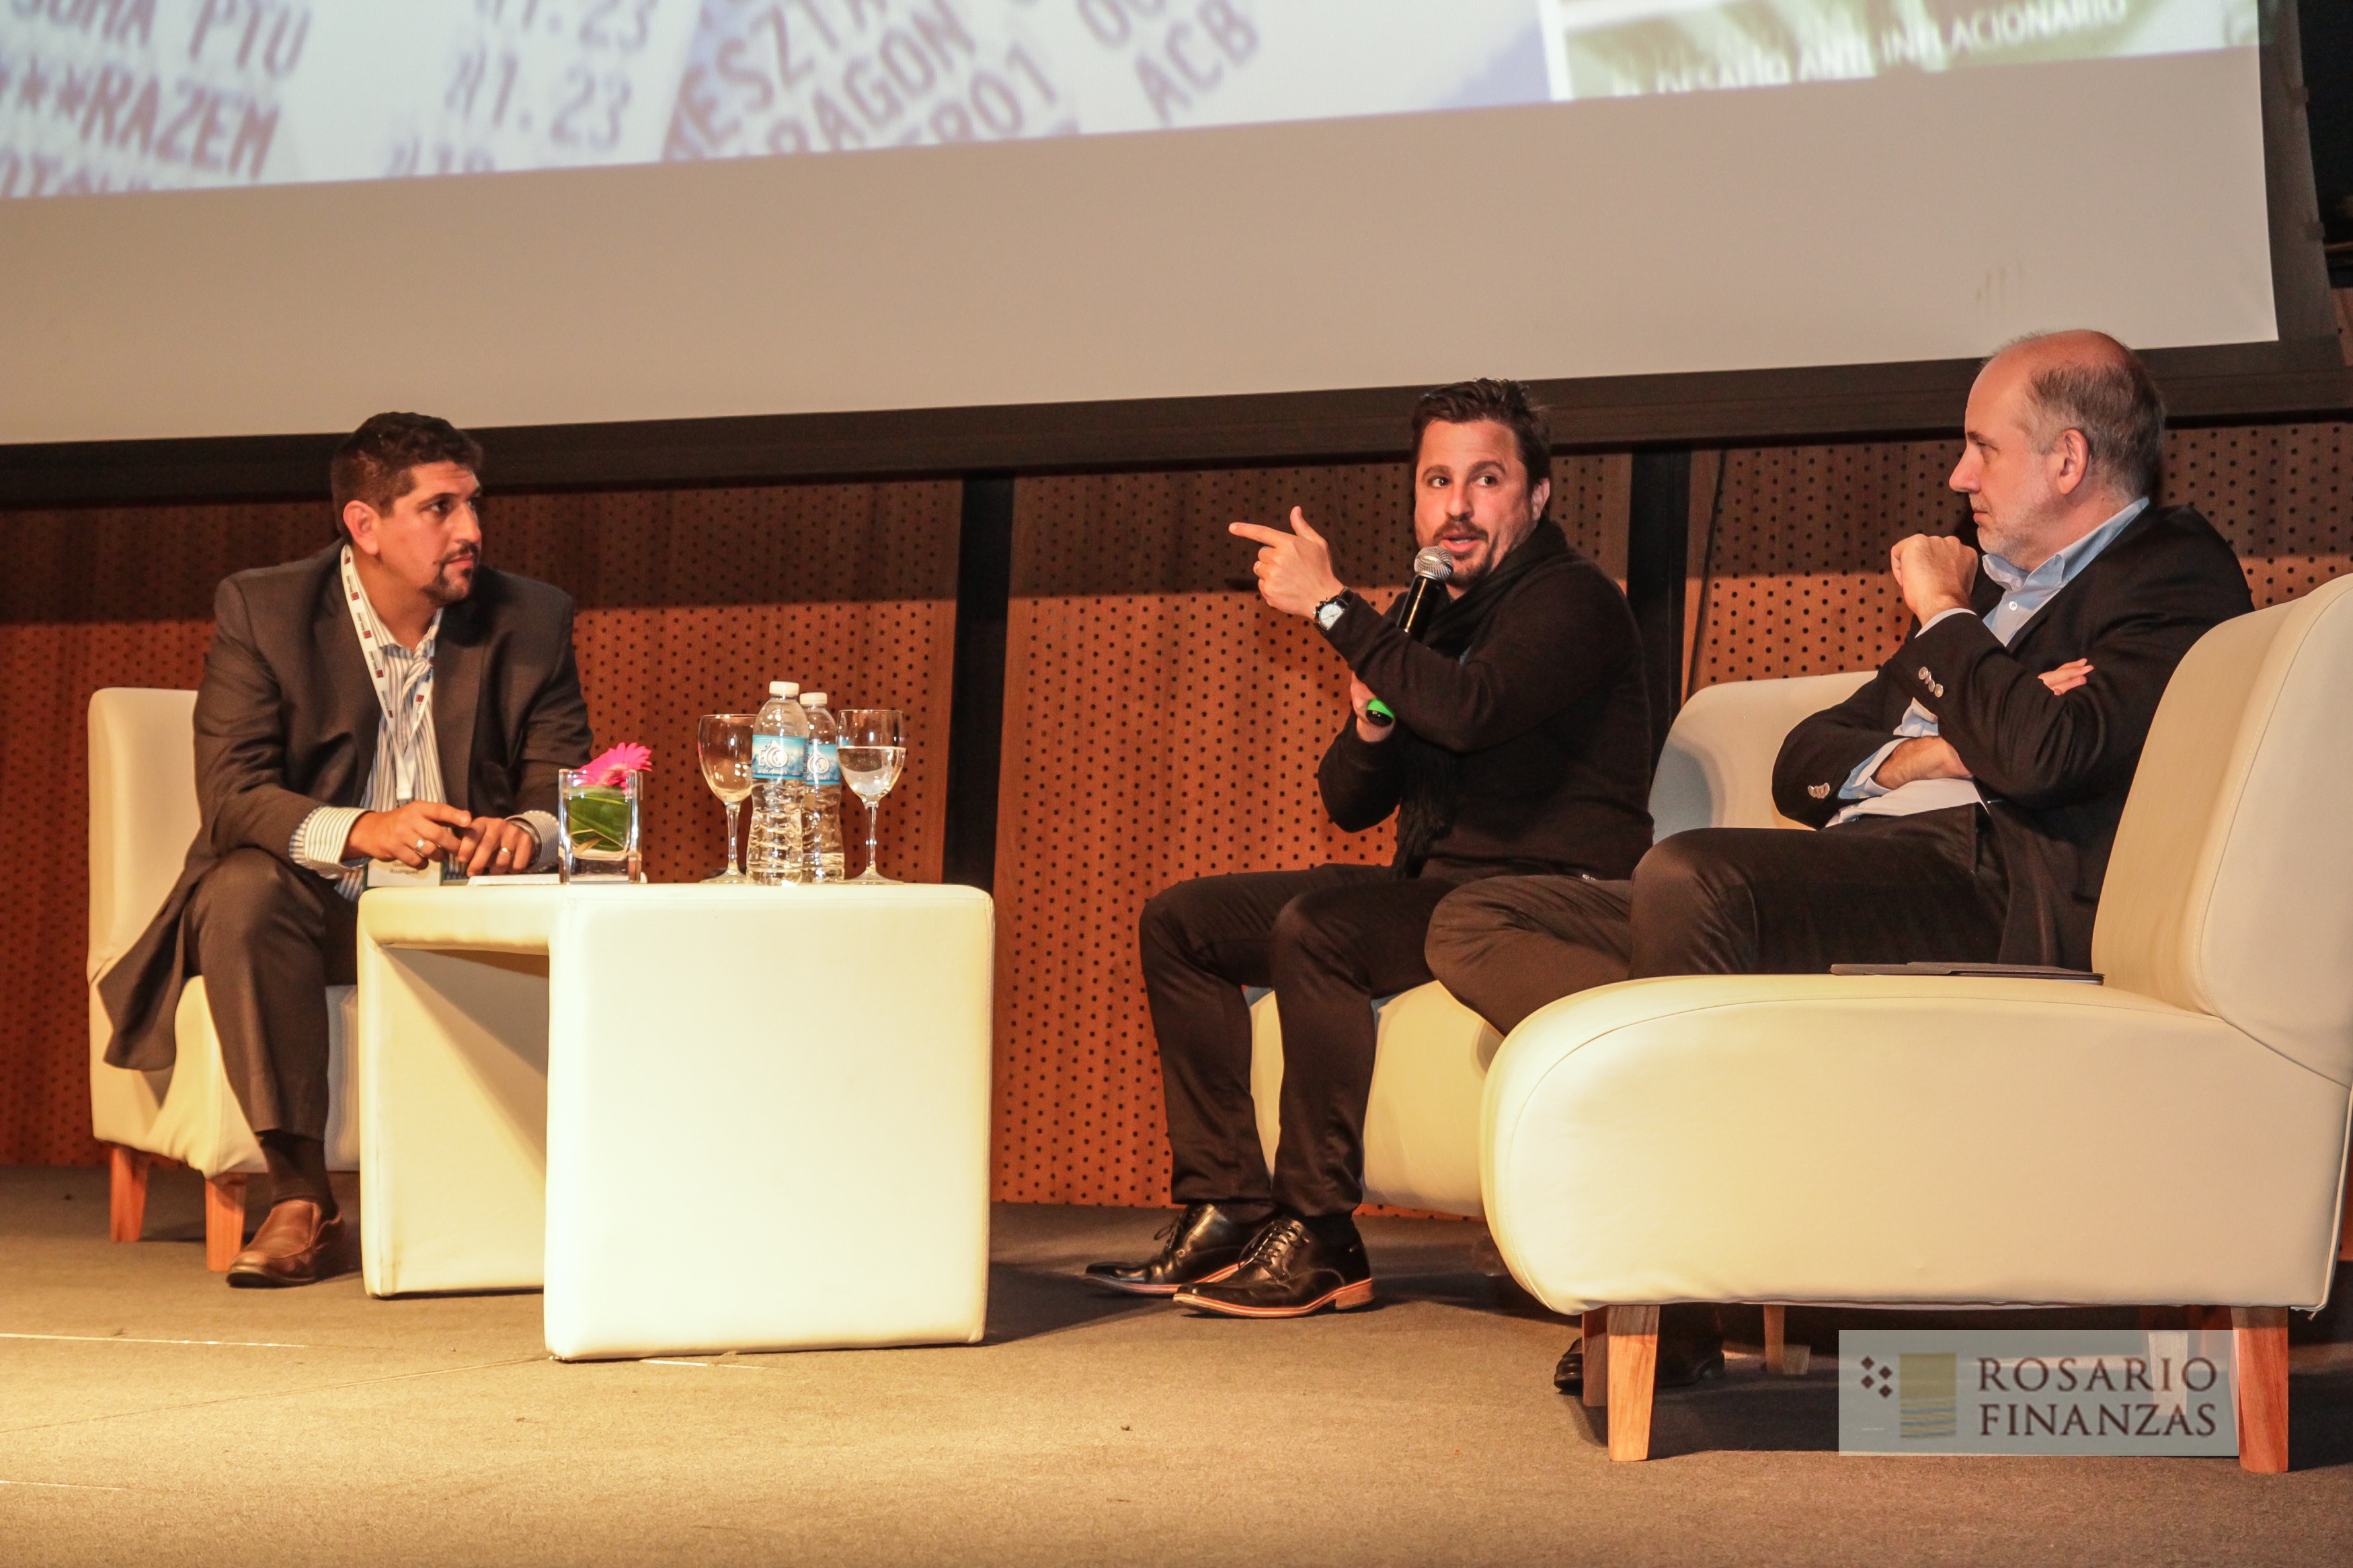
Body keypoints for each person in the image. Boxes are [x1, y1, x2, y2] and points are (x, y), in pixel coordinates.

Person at [1424, 329, 2255, 1387]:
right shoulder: (2003, 598)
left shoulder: (2167, 571)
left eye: (1981, 449)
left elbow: (2046, 756)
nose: (1957, 479)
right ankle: (1726, 1092)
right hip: (1881, 864)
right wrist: (1940, 749)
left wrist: (1945, 617)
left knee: (1691, 878)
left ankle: (1673, 1295)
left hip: (1988, 883)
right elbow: (1805, 763)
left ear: (2068, 460)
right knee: (1479, 917)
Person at [1084, 379, 1654, 1317]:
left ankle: (1321, 1234)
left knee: (1323, 928)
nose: (1457, 505)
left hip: (1541, 898)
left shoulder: (1572, 599)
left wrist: (1334, 607)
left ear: (1537, 496)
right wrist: (1375, 728)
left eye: (1486, 480)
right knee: (1182, 922)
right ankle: (1229, 1203)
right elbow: (1349, 802)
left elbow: (1471, 713)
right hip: (1439, 889)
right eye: (1437, 481)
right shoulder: (1427, 613)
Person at [97, 413, 594, 1288]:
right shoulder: (266, 609)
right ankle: (301, 1198)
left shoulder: (532, 616)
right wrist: (366, 829)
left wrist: (523, 831)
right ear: (365, 524)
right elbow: (233, 794)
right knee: (244, 892)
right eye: (440, 508)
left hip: (461, 913)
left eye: (473, 505)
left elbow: (565, 784)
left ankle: (548, 1192)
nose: (471, 530)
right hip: (312, 913)